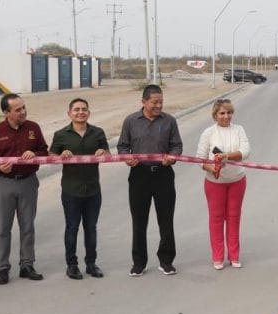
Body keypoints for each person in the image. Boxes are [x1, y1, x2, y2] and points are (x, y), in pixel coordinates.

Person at [0, 93, 49, 285]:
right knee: (3, 227)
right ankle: (3, 268)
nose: (23, 112)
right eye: (18, 109)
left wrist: (34, 153)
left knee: (28, 226)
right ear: (6, 112)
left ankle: (27, 265)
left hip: (28, 182)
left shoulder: (33, 128)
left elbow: (44, 150)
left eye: (24, 107)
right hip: (4, 183)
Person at [118, 84, 183, 277]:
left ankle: (166, 261)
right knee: (139, 221)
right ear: (144, 102)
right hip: (139, 175)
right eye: (155, 102)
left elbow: (176, 146)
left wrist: (172, 157)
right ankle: (139, 262)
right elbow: (123, 146)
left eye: (161, 101)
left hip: (163, 175)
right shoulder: (130, 121)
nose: (159, 105)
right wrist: (126, 158)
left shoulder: (169, 121)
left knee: (166, 220)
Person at [49, 98, 110, 280]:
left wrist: (103, 153)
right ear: (69, 113)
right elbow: (51, 155)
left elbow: (107, 154)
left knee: (91, 228)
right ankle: (72, 265)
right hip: (71, 190)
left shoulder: (97, 133)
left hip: (93, 190)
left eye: (84, 109)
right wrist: (61, 155)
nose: (80, 112)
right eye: (76, 109)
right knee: (72, 228)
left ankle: (91, 264)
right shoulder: (61, 134)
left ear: (88, 113)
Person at [196, 99, 251, 269]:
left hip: (237, 181)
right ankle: (217, 257)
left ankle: (234, 256)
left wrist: (227, 156)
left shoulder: (239, 129)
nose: (226, 116)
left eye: (229, 112)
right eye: (222, 113)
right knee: (216, 219)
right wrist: (211, 167)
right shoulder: (208, 133)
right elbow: (200, 158)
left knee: (234, 218)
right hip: (215, 183)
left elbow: (245, 151)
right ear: (215, 115)